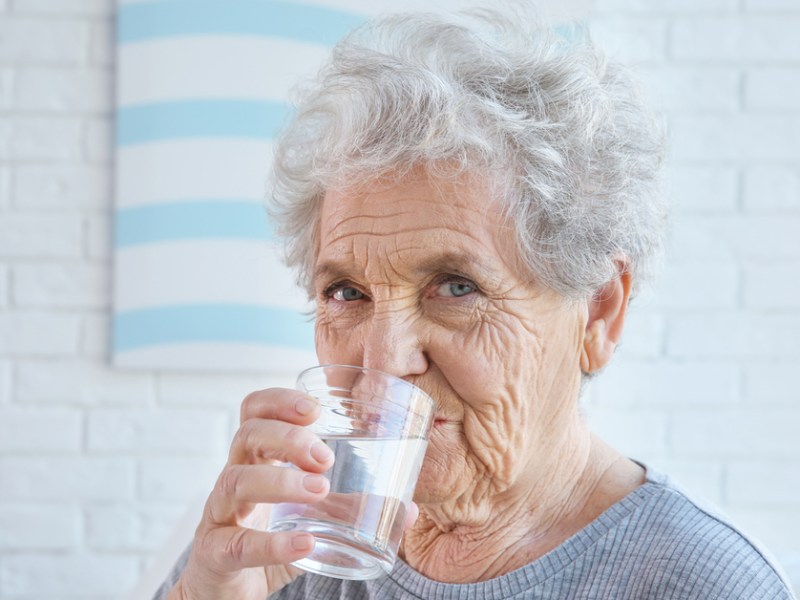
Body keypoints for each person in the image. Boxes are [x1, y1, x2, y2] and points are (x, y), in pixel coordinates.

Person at [154, 7, 796, 600]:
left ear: (598, 311)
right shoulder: (279, 544)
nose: (382, 363)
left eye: (456, 287)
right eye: (346, 293)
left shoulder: (710, 583)